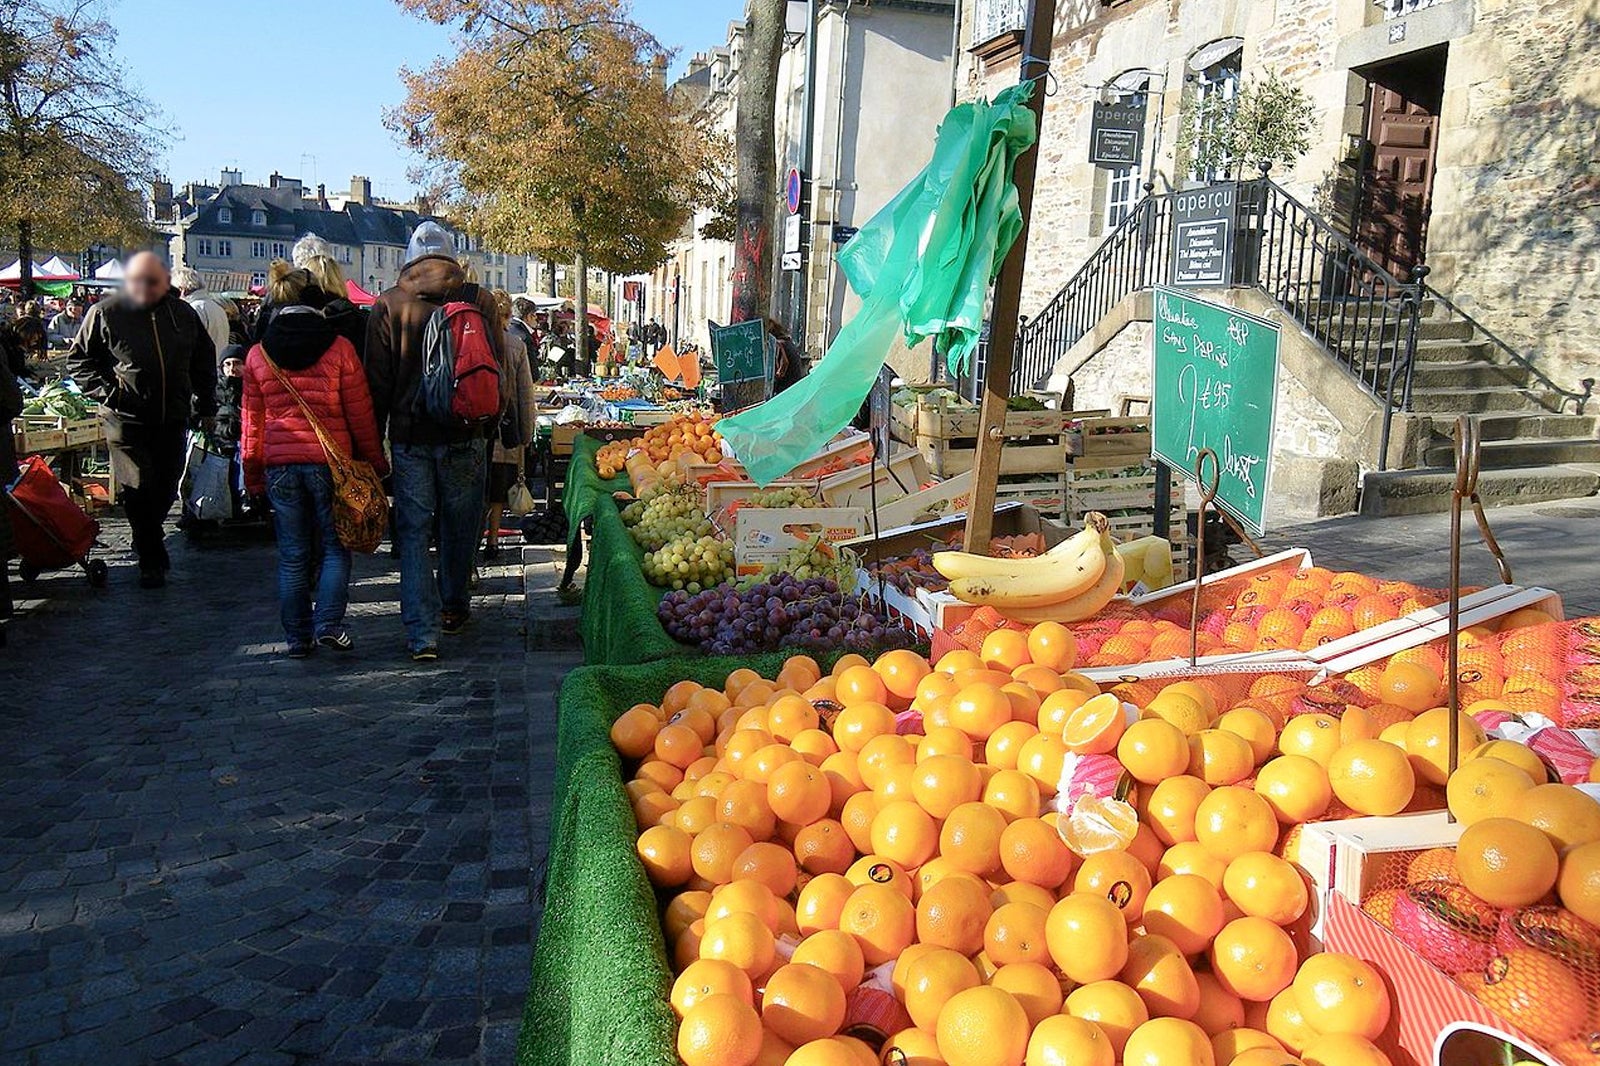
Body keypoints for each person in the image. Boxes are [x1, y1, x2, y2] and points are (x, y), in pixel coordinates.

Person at [366, 221, 502, 661]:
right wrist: (490, 426)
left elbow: (377, 385)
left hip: (411, 437)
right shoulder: (478, 300)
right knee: (461, 527)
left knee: (413, 531)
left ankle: (421, 632)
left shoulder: (388, 305)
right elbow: (494, 368)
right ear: (451, 258)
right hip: (466, 433)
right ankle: (455, 607)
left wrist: (377, 446)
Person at [242, 298, 387, 658]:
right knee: (336, 548)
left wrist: (252, 475)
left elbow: (251, 424)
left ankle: (296, 638)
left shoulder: (259, 355)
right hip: (329, 464)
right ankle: (328, 623)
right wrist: (374, 461)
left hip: (280, 466)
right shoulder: (339, 349)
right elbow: (359, 412)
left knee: (293, 555)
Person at [67, 253, 217, 586]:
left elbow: (204, 360)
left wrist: (206, 402)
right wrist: (109, 392)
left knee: (166, 484)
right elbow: (80, 361)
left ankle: (145, 534)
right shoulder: (106, 313)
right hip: (125, 417)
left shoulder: (182, 314)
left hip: (173, 414)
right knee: (138, 485)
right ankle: (151, 558)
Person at [483, 289, 536, 561]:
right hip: (506, 431)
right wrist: (526, 435)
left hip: (477, 430)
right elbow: (526, 396)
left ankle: (469, 547)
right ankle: (492, 539)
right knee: (498, 492)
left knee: (477, 489)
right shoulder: (515, 345)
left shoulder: (474, 340)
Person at [172, 265, 233, 357]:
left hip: (202, 366)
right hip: (218, 364)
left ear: (182, 290)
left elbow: (187, 346)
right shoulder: (217, 307)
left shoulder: (192, 309)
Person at [766, 318, 809, 395]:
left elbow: (784, 364)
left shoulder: (779, 344)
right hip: (794, 386)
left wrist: (775, 378)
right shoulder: (788, 342)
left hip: (786, 388)